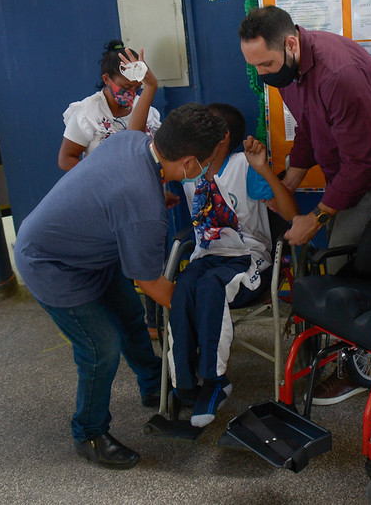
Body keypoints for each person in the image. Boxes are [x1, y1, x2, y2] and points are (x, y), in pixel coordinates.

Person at [15, 103, 227, 469]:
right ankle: (89, 432)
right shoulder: (144, 207)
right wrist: (199, 313)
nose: (204, 169)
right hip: (51, 264)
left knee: (129, 315)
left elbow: (117, 188)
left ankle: (152, 385)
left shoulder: (130, 140)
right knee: (101, 348)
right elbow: (150, 282)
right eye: (205, 163)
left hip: (88, 250)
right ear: (190, 163)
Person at [238, 5, 371, 405]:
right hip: (342, 173)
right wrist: (291, 177)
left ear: (291, 43)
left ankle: (357, 369)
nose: (262, 75)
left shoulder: (337, 73)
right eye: (254, 66)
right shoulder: (289, 70)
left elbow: (362, 163)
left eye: (267, 64)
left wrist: (318, 216)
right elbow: (308, 126)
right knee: (333, 264)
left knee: (340, 270)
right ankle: (348, 350)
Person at [167, 103, 298, 427]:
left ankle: (215, 381)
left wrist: (264, 168)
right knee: (180, 289)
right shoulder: (189, 168)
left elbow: (291, 214)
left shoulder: (244, 166)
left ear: (222, 137)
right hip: (205, 256)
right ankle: (184, 384)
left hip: (249, 258)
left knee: (212, 287)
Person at [58, 40, 161, 171]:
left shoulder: (144, 108)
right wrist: (101, 178)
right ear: (107, 79)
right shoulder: (87, 112)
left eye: (138, 88)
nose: (132, 94)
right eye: (126, 87)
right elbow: (66, 159)